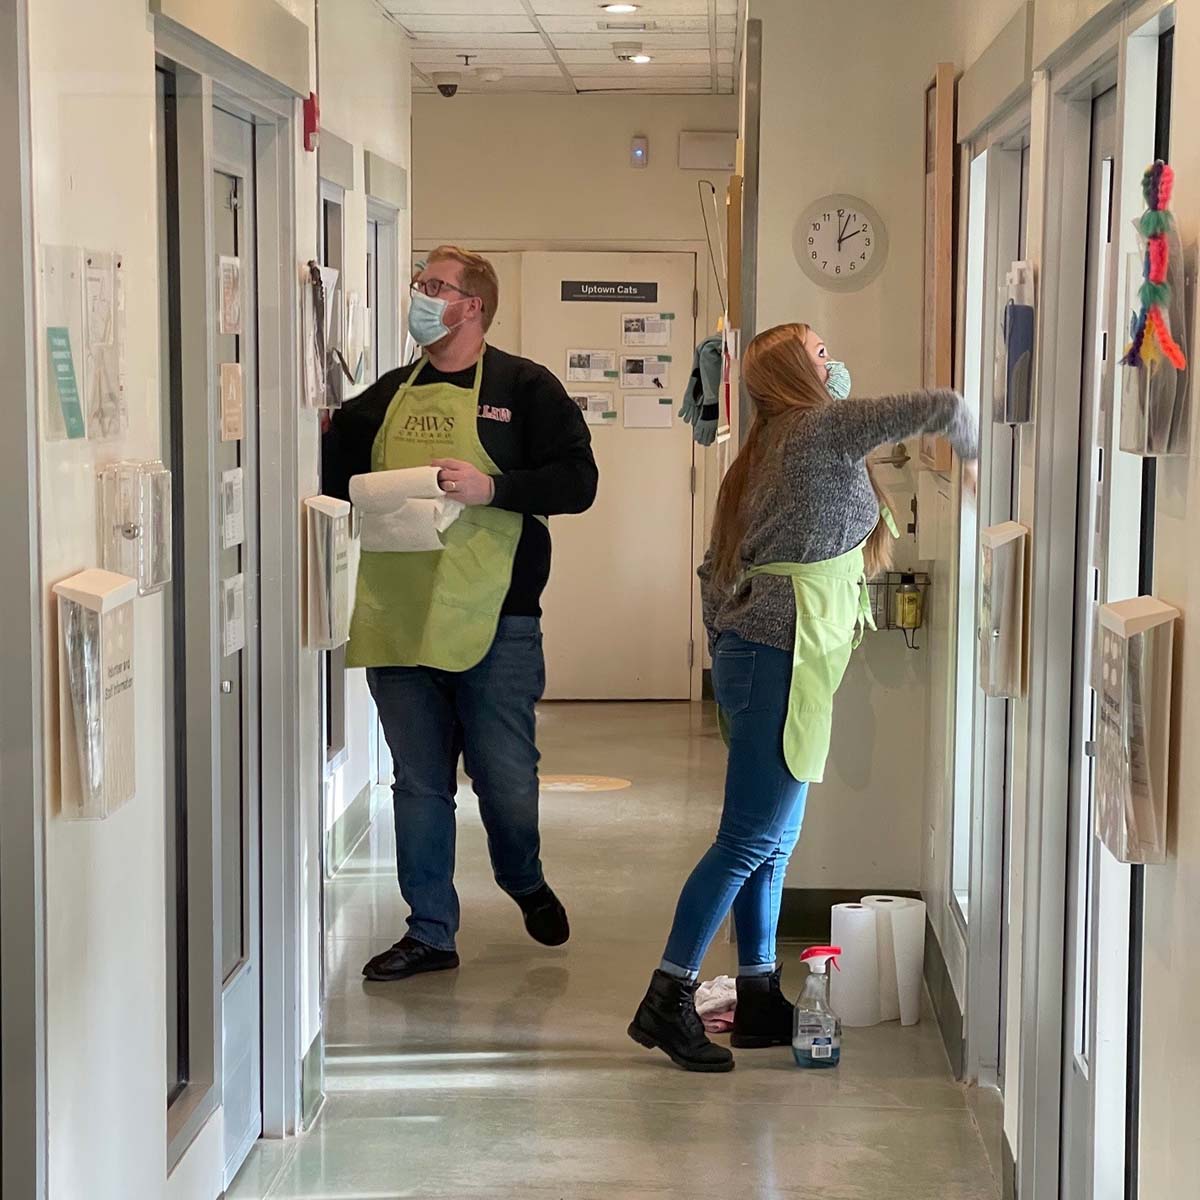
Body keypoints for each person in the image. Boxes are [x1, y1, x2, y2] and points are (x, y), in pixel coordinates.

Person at [628, 322, 977, 1071]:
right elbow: (936, 404)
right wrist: (976, 448)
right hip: (779, 658)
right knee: (747, 841)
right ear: (797, 374)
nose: (835, 362)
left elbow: (712, 570)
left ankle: (757, 994)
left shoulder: (764, 450)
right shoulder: (817, 429)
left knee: (773, 842)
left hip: (765, 655)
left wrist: (724, 645)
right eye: (823, 354)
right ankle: (667, 995)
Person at [323, 245, 599, 982]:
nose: (421, 295)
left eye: (435, 286)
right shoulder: (384, 396)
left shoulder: (524, 388)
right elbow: (332, 475)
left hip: (496, 617)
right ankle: (430, 932)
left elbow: (578, 482)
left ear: (472, 305)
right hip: (400, 614)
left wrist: (495, 488)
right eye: (419, 284)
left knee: (504, 778)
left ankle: (523, 879)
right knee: (419, 783)